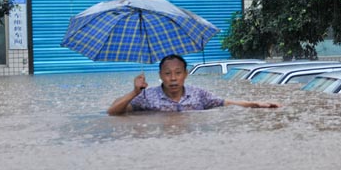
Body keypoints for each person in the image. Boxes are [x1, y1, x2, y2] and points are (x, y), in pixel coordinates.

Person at [108, 54, 280, 115]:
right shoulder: (146, 97)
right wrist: (134, 92)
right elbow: (113, 112)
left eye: (178, 73)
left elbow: (225, 103)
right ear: (160, 75)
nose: (173, 78)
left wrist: (255, 104)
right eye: (167, 74)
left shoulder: (198, 94)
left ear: (186, 74)